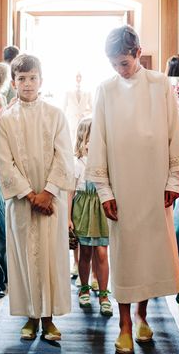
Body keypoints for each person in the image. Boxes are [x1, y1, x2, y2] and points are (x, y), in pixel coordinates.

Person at [86, 25, 179, 354]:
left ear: (137, 52)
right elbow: (98, 141)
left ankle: (144, 317)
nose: (120, 69)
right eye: (114, 64)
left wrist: (174, 181)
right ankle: (124, 323)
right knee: (126, 254)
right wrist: (104, 190)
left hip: (155, 182)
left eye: (124, 63)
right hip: (121, 184)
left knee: (148, 254)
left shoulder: (160, 85)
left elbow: (175, 132)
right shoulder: (105, 89)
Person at [0, 54, 74, 342]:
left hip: (51, 200)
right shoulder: (6, 119)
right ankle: (30, 316)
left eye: (32, 78)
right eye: (21, 79)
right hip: (22, 202)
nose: (27, 84)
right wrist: (31, 195)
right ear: (14, 83)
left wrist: (48, 192)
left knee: (51, 257)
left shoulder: (55, 115)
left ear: (41, 80)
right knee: (24, 256)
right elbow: (4, 163)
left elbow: (64, 155)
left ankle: (50, 319)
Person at [68, 117, 112, 316]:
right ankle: (84, 288)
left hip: (100, 208)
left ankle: (104, 294)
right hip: (83, 208)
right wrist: (68, 217)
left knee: (102, 252)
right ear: (84, 138)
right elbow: (70, 191)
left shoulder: (106, 160)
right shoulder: (76, 162)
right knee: (85, 252)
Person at [64, 72, 93, 143]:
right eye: (77, 76)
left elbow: (92, 109)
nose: (78, 78)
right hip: (71, 122)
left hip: (83, 123)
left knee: (82, 143)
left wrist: (84, 114)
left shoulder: (88, 92)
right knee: (71, 142)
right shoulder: (68, 92)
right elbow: (63, 108)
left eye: (80, 76)